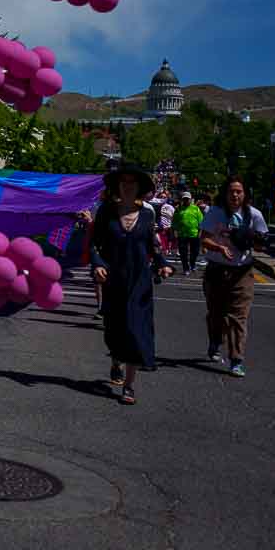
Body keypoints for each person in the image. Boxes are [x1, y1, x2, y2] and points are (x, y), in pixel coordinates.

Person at [89, 162, 172, 405]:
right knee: (114, 330)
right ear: (117, 186)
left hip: (139, 281)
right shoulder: (106, 211)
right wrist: (98, 264)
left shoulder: (148, 214)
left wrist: (162, 263)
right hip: (114, 280)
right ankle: (116, 359)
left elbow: (152, 245)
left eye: (131, 182)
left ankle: (129, 385)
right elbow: (95, 244)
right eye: (123, 182)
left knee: (136, 329)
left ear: (139, 187)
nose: (127, 186)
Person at [199, 177, 268, 376]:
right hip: (217, 270)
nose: (235, 195)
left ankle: (236, 359)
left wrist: (253, 241)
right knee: (216, 314)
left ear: (245, 194)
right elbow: (204, 238)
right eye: (231, 191)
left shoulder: (254, 215)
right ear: (225, 193)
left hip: (242, 272)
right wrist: (219, 247)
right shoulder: (216, 213)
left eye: (239, 191)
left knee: (238, 317)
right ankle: (215, 340)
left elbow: (262, 243)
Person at [173, 191, 204, 274]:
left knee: (195, 252)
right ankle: (185, 268)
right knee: (183, 253)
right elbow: (175, 221)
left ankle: (192, 264)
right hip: (182, 234)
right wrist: (175, 231)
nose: (186, 200)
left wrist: (200, 232)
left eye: (188, 199)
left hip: (194, 234)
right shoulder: (178, 209)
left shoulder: (196, 208)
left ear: (191, 199)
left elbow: (201, 221)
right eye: (185, 199)